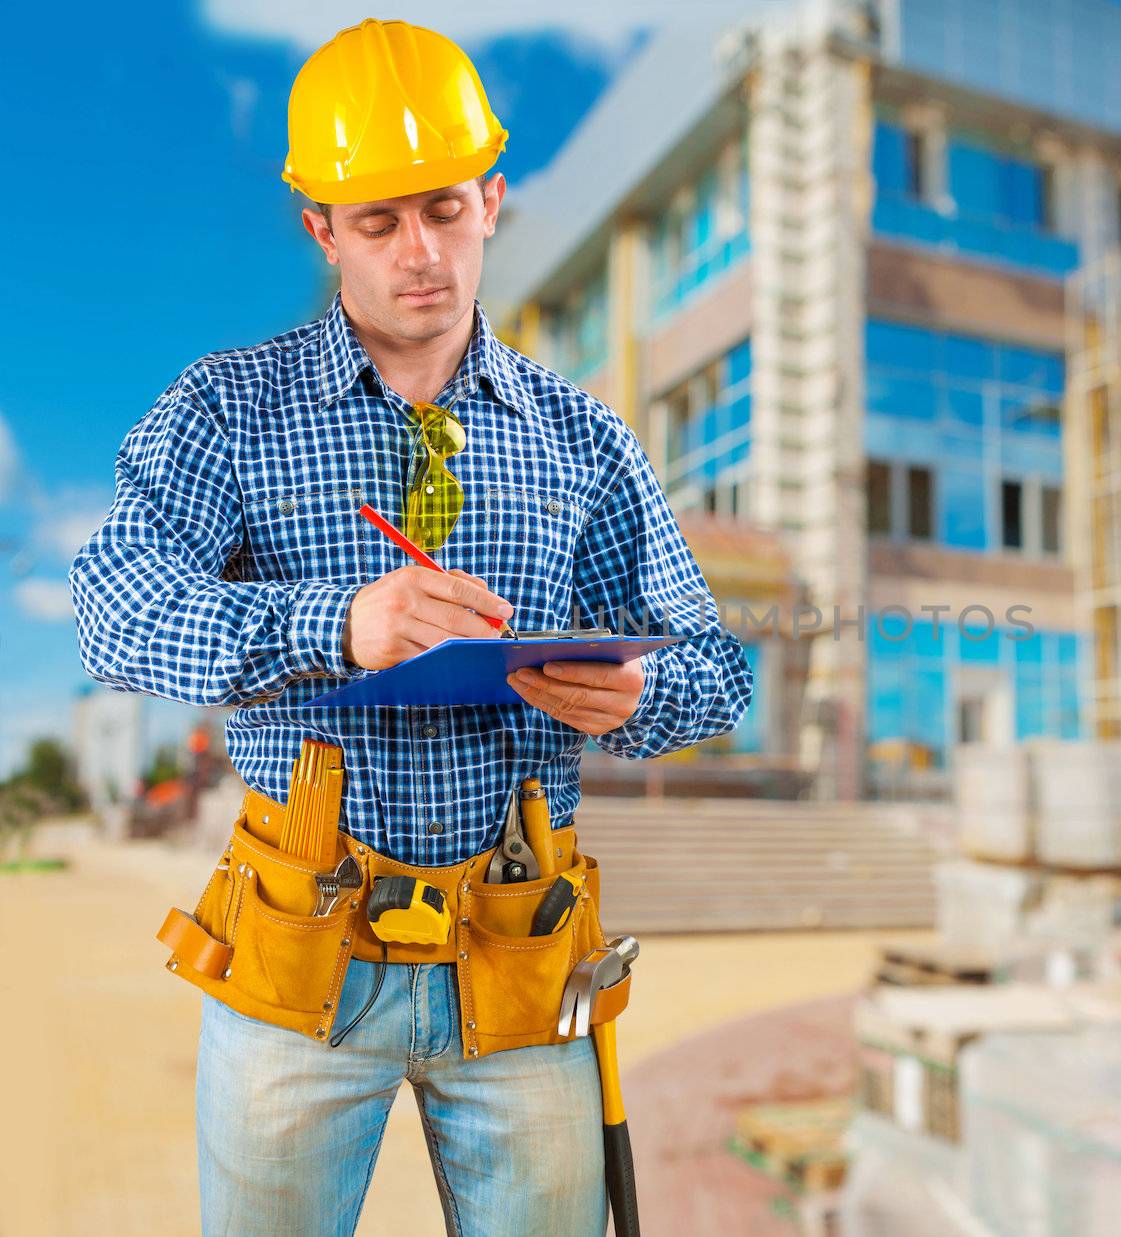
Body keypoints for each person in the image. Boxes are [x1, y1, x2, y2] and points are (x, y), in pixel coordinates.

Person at [68, 18, 752, 1236]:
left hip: (523, 951)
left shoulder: (582, 440)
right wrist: (335, 620)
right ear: (321, 229)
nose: (419, 252)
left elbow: (713, 667)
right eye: (376, 222)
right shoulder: (228, 411)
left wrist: (642, 697)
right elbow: (114, 605)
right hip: (295, 957)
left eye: (443, 209)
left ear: (492, 200)